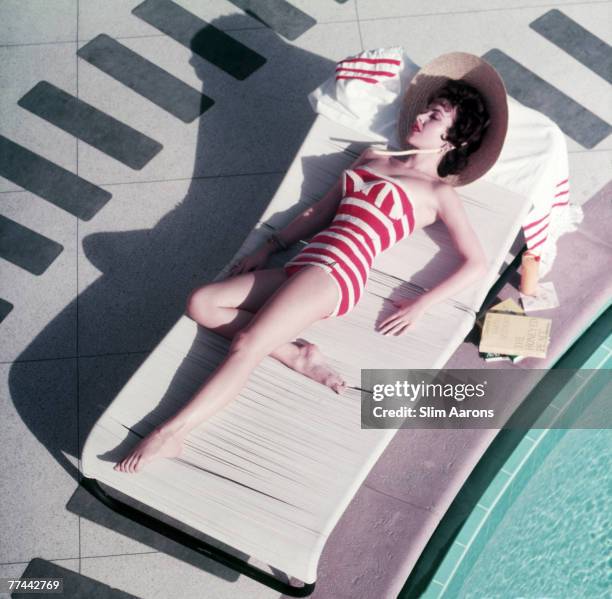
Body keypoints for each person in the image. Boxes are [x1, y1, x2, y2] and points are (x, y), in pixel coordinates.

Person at [114, 52, 508, 473]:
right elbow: (319, 213)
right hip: (306, 262)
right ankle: (296, 356)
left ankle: (172, 433)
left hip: (338, 274)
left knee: (246, 344)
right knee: (202, 303)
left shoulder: (437, 192)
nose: (420, 119)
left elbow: (476, 263)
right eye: (426, 110)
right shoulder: (372, 158)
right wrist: (269, 245)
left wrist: (421, 303)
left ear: (455, 140)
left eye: (435, 117)